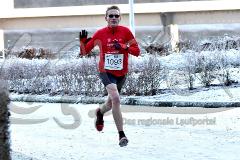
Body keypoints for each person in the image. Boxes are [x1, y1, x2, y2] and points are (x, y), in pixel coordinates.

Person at [79, 5, 140, 147]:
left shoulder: (125, 32)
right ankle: (121, 135)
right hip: (105, 71)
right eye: (110, 16)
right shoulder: (100, 33)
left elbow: (137, 51)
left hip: (121, 73)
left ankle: (100, 113)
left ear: (120, 18)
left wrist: (124, 47)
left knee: (110, 103)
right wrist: (82, 42)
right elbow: (84, 52)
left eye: (116, 16)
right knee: (116, 99)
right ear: (106, 18)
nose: (113, 18)